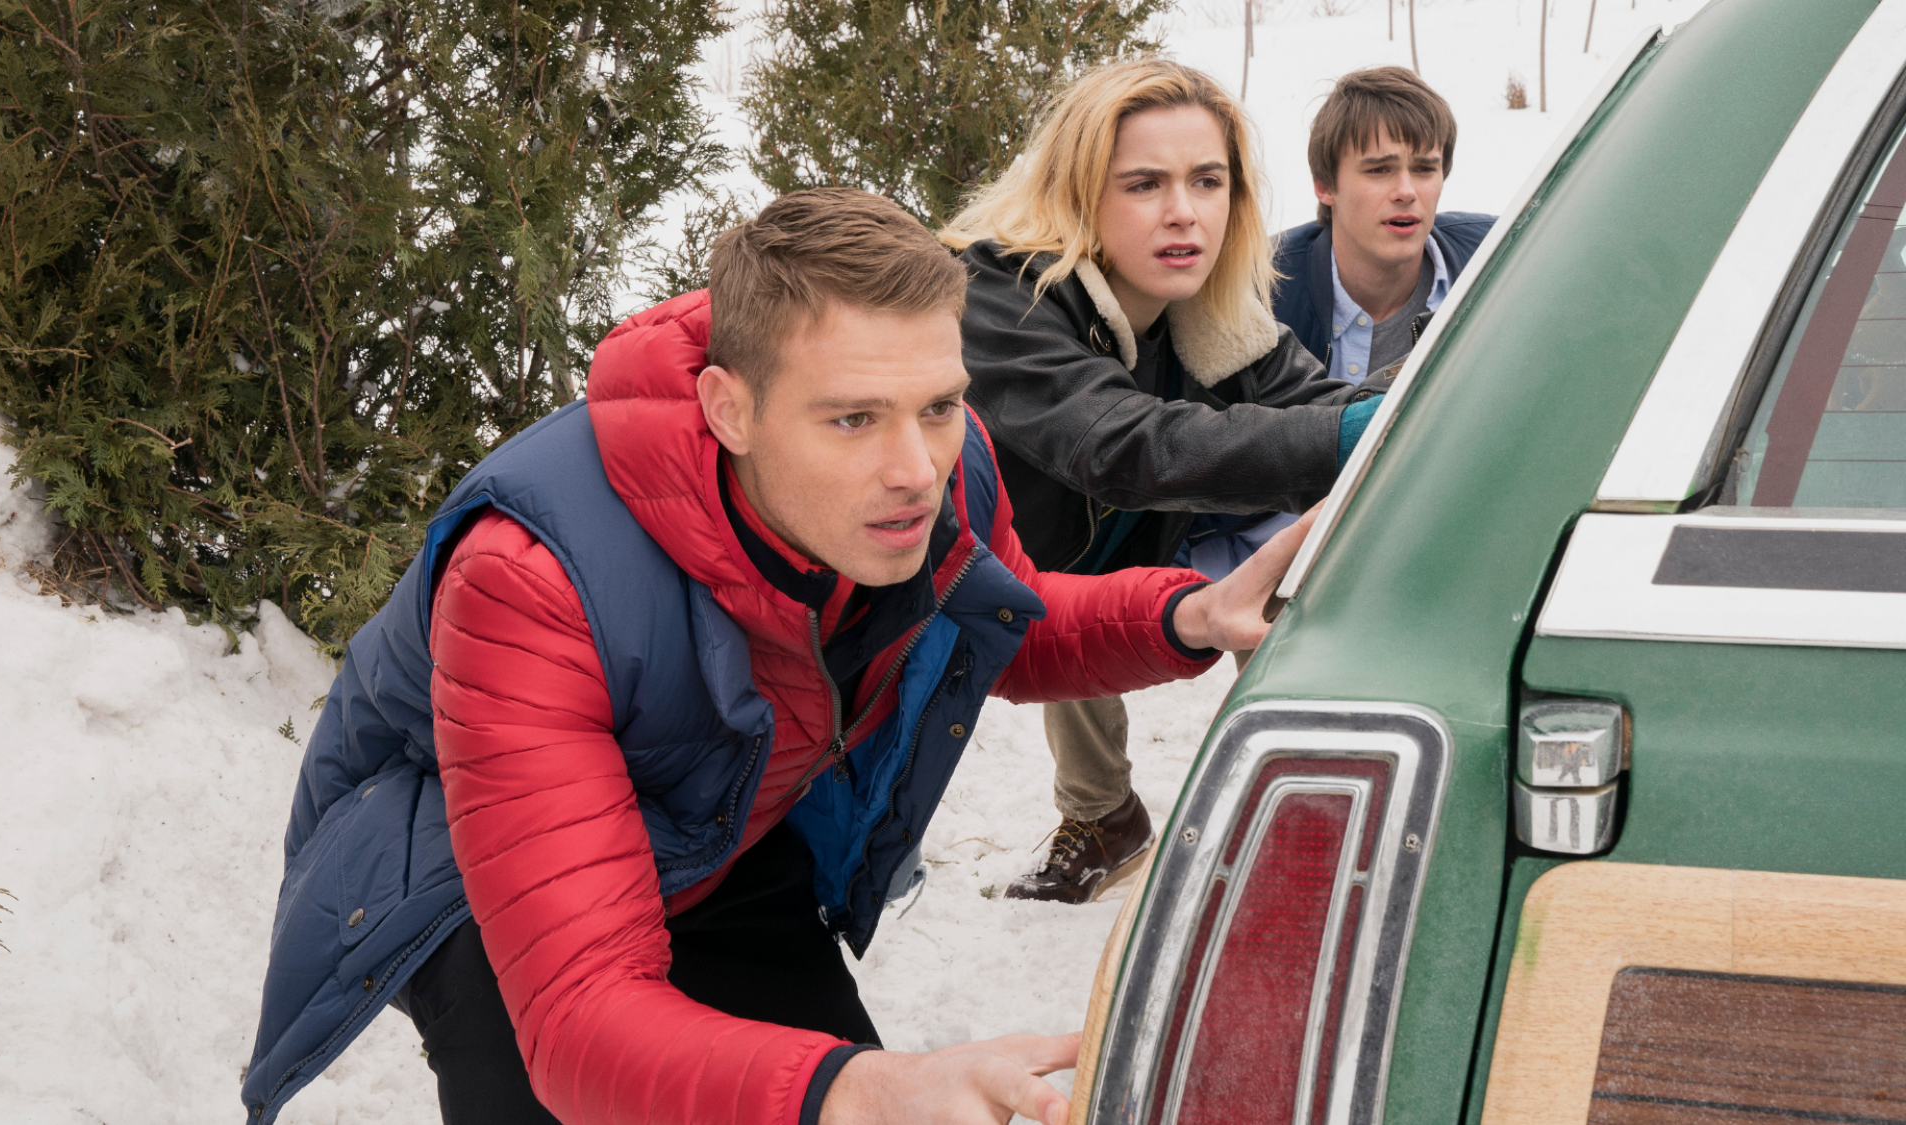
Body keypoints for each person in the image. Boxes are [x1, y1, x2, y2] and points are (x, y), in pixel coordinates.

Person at [240, 187, 1314, 1125]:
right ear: (728, 409)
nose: (913, 467)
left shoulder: (936, 461)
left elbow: (994, 622)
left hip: (713, 826)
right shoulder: (530, 581)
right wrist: (852, 1093)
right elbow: (577, 1018)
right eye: (850, 419)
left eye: (937, 406)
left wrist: (1188, 616)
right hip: (476, 876)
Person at [940, 59, 1383, 905]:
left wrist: (1435, 405)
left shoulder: (1209, 317)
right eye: (1144, 183)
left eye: (1207, 180)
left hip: (1084, 567)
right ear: (1079, 192)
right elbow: (1122, 444)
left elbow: (1324, 405)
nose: (1184, 211)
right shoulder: (996, 297)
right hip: (904, 609)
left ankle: (1301, 829)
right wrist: (1353, 429)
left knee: (1275, 584)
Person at [1272, 66, 1496, 385]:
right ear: (1325, 186)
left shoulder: (1502, 257)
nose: (1406, 191)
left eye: (1424, 169)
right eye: (1379, 170)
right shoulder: (1261, 290)